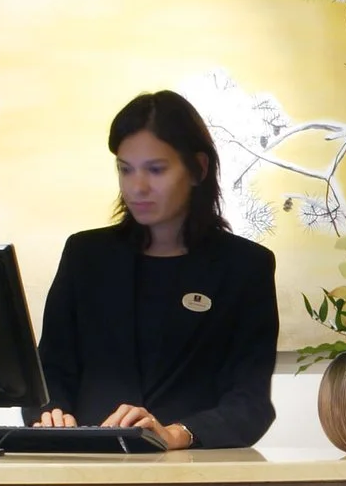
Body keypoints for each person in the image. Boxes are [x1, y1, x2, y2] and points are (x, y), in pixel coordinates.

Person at [34, 91, 277, 450]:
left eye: (156, 169)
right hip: (86, 471)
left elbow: (250, 405)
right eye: (125, 169)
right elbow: (48, 374)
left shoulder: (244, 266)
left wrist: (177, 433)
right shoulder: (85, 256)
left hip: (193, 477)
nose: (137, 187)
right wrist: (51, 412)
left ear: (198, 169)